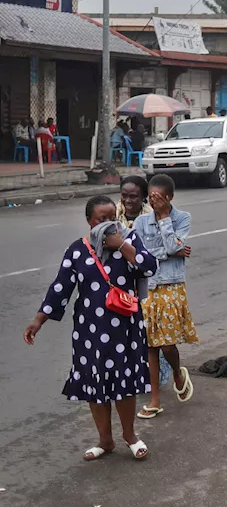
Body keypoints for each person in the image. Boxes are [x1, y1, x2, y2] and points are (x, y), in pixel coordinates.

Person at [23, 194, 158, 461]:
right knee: (95, 384)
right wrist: (39, 320)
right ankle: (104, 440)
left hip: (125, 327)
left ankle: (130, 435)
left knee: (124, 382)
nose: (108, 225)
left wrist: (122, 247)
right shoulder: (78, 249)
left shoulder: (128, 240)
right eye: (101, 219)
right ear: (89, 221)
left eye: (112, 218)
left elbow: (150, 266)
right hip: (89, 330)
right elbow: (60, 287)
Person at [132, 174, 196, 419]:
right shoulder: (140, 223)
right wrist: (173, 252)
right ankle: (155, 400)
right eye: (151, 197)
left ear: (169, 197)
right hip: (147, 285)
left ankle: (178, 374)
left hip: (171, 284)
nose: (154, 202)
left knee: (167, 343)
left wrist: (165, 219)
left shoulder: (182, 218)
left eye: (159, 198)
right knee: (150, 344)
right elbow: (141, 254)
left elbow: (172, 246)